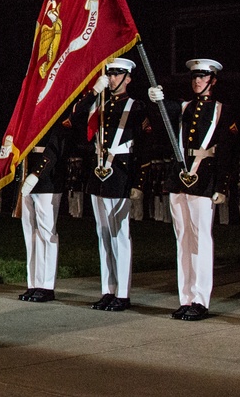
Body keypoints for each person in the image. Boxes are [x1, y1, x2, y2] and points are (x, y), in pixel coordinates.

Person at [148, 58, 237, 321]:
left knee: (201, 240)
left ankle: (200, 299)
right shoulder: (184, 107)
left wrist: (222, 185)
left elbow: (228, 152)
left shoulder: (222, 110)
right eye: (194, 77)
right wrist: (156, 101)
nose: (197, 81)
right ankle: (185, 298)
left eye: (202, 77)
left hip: (204, 177)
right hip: (179, 177)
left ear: (213, 80)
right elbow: (161, 123)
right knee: (183, 240)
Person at [70, 58, 150, 312]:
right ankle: (108, 290)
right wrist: (94, 91)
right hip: (98, 173)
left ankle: (123, 294)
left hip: (122, 172)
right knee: (103, 234)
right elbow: (75, 118)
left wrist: (138, 181)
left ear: (128, 78)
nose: (113, 79)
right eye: (110, 75)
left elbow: (144, 148)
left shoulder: (136, 107)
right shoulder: (99, 104)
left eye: (117, 75)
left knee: (120, 235)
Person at [16, 121, 69, 303]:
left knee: (47, 234)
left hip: (47, 180)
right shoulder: (28, 117)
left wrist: (37, 173)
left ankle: (46, 286)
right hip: (25, 176)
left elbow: (53, 150)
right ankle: (33, 283)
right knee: (30, 234)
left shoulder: (55, 117)